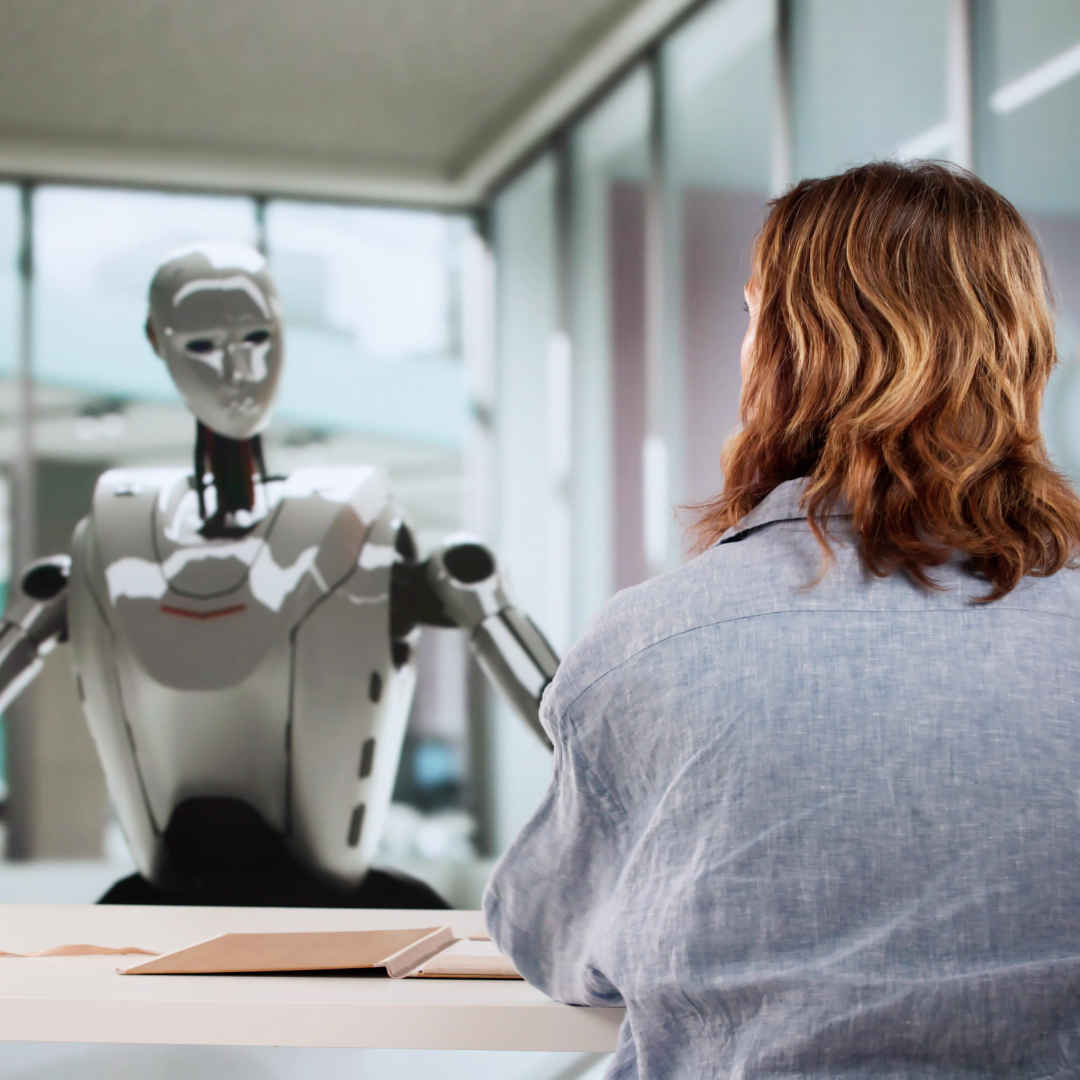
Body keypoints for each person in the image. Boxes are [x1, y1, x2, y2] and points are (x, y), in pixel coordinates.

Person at [483, 161, 1080, 1078]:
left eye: (754, 314)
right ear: (1024, 353)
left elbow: (557, 945)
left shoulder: (649, 644)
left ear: (781, 353)